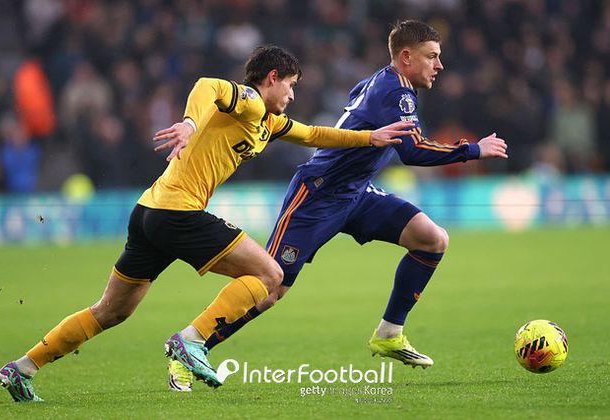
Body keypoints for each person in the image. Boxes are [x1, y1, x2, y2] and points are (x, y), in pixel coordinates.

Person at [0, 45, 413, 402]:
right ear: (272, 77)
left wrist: (369, 138)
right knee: (270, 274)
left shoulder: (267, 123)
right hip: (179, 211)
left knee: (110, 311)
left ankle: (23, 368)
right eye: (291, 84)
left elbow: (314, 135)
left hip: (149, 212)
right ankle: (191, 341)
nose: (292, 93)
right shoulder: (249, 100)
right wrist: (191, 123)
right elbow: (206, 86)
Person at [167, 20, 508, 391]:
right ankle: (192, 347)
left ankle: (389, 333)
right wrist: (473, 150)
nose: (439, 65)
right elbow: (412, 152)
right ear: (406, 57)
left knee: (432, 239)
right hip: (318, 195)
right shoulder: (397, 92)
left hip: (356, 192)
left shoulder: (385, 84)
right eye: (432, 57)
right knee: (271, 288)